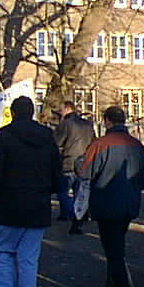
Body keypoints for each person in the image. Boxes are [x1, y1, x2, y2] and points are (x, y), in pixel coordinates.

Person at [0, 96, 61, 287]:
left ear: (13, 113)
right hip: (37, 206)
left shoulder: (4, 137)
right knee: (28, 260)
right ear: (33, 112)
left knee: (2, 254)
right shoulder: (47, 137)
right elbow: (57, 174)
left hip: (7, 206)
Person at [77, 106, 144, 287]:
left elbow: (85, 173)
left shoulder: (100, 144)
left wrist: (77, 163)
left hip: (105, 203)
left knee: (113, 251)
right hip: (129, 204)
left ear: (107, 121)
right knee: (117, 247)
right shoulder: (137, 145)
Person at [53, 100, 96, 233]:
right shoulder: (88, 124)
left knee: (62, 191)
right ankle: (79, 216)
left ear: (66, 109)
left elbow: (56, 142)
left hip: (68, 162)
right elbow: (94, 142)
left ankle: (68, 214)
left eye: (61, 110)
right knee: (80, 193)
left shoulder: (66, 124)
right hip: (85, 163)